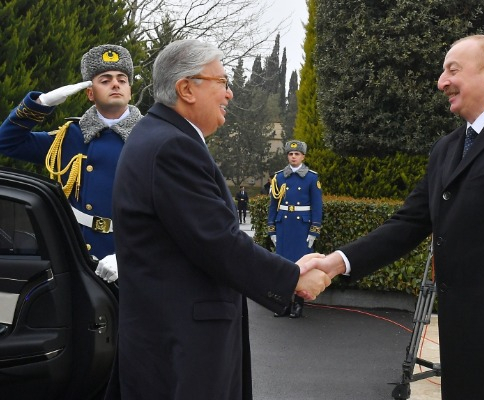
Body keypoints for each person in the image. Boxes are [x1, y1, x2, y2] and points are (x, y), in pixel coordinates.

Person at [308, 35, 484, 400]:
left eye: (452, 70)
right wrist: (336, 262)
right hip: (461, 345)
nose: (441, 82)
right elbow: (406, 224)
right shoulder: (446, 150)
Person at [107, 39, 331, 400]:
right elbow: (217, 241)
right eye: (222, 82)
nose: (229, 94)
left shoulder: (162, 137)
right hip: (182, 345)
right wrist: (291, 277)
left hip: (170, 337)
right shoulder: (171, 147)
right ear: (186, 89)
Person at [0, 44, 141, 284]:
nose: (115, 84)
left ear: (129, 90)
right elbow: (6, 142)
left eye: (122, 79)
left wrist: (128, 255)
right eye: (105, 80)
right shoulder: (68, 137)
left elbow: (168, 213)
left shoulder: (151, 138)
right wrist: (40, 103)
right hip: (74, 257)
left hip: (130, 260)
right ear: (89, 93)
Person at [268, 140, 323, 318]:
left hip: (301, 228)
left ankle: (298, 305)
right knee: (282, 266)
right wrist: (272, 229)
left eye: (297, 154)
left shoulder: (311, 178)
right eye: (290, 154)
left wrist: (314, 230)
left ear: (303, 156)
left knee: (302, 268)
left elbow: (317, 206)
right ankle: (283, 304)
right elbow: (273, 205)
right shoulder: (279, 177)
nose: (293, 157)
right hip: (284, 225)